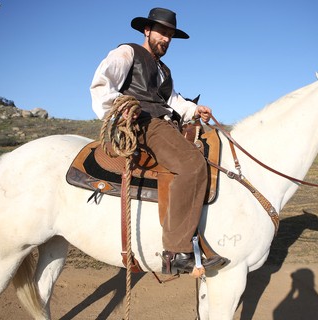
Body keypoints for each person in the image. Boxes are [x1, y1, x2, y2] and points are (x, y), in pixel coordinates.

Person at [90, 7, 225, 274]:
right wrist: (119, 108)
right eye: (162, 32)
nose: (166, 39)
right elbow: (102, 84)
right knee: (192, 164)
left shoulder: (164, 69)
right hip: (144, 123)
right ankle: (176, 251)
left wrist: (194, 110)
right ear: (147, 30)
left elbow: (173, 101)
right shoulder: (127, 52)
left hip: (163, 122)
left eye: (170, 35)